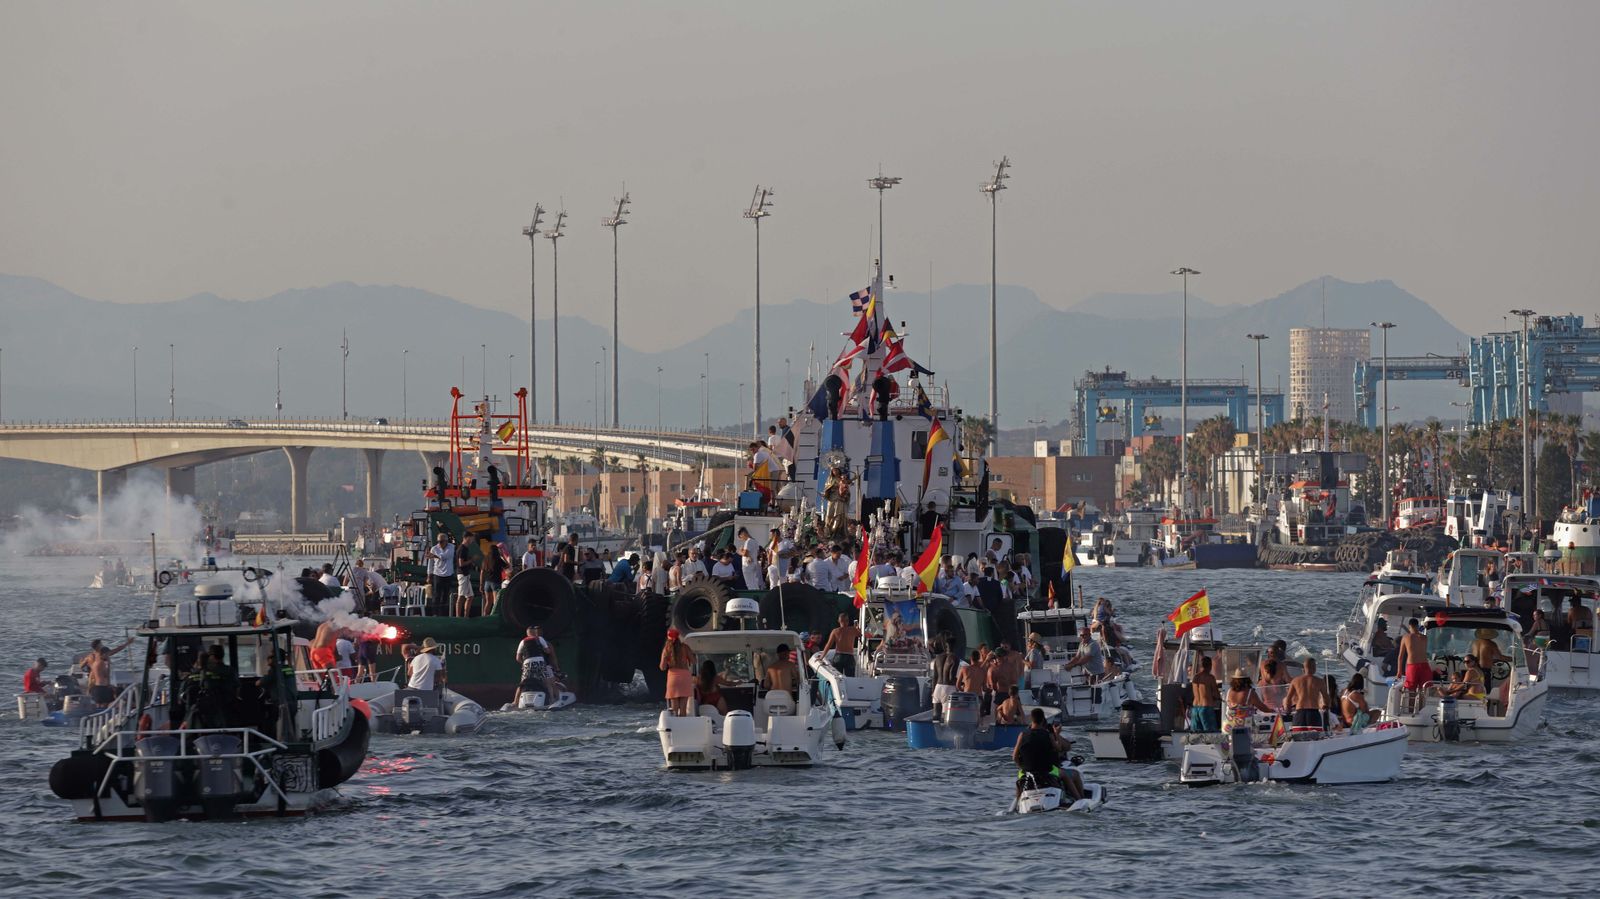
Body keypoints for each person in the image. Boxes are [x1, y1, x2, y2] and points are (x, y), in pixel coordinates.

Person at [1012, 708, 1082, 803]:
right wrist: (1056, 734)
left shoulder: (1022, 735)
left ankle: (1017, 803)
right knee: (1065, 775)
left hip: (1027, 771)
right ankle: (1079, 799)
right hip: (1048, 770)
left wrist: (1022, 767)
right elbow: (1059, 749)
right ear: (1042, 720)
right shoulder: (1048, 735)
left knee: (1020, 779)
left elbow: (1014, 757)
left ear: (1032, 720)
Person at [1285, 656, 1329, 729]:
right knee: (1315, 738)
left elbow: (1288, 699)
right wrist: (1326, 707)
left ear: (1304, 668)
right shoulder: (1320, 681)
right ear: (1314, 667)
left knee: (1298, 737)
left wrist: (1288, 711)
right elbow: (1326, 698)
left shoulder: (1295, 681)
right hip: (1314, 713)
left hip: (1300, 713)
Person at [660, 628, 695, 716]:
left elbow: (662, 667)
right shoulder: (685, 647)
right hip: (685, 677)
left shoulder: (666, 649)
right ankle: (683, 728)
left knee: (674, 708)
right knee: (683, 708)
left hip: (673, 678)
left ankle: (675, 727)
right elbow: (694, 661)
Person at [1396, 617, 1432, 691]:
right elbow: (1418, 633)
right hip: (1424, 666)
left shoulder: (1405, 638)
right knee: (1423, 690)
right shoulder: (1424, 638)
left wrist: (1399, 671)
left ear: (1410, 626)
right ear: (1417, 625)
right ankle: (1422, 703)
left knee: (1411, 691)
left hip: (1413, 666)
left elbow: (1400, 657)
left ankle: (1411, 703)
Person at [1188, 655, 1222, 732]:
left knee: (1195, 735)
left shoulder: (1195, 677)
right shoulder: (1210, 678)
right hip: (1206, 708)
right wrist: (1218, 698)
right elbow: (1216, 694)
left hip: (1195, 708)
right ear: (1210, 665)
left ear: (1201, 665)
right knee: (1210, 734)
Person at [427, 532, 456, 612]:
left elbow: (445, 556)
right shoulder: (434, 548)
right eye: (438, 541)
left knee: (445, 595)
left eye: (441, 541)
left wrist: (434, 556)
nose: (439, 543)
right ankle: (435, 612)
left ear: (446, 541)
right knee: (436, 595)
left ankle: (443, 612)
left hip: (448, 574)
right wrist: (429, 575)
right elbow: (431, 563)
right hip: (437, 574)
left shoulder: (451, 547)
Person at [480, 542, 507, 617]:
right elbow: (508, 567)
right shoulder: (498, 559)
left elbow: (482, 572)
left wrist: (481, 584)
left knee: (488, 602)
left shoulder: (486, 559)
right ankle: (494, 617)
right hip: (496, 582)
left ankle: (484, 617)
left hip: (487, 583)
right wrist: (503, 556)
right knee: (496, 603)